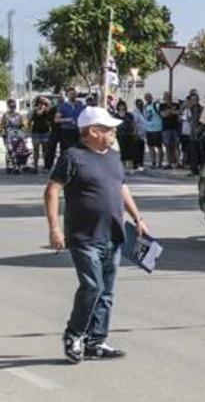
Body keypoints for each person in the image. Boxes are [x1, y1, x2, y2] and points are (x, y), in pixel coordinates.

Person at [44, 106, 149, 363]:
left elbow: (121, 187)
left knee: (107, 292)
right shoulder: (72, 156)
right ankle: (75, 334)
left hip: (113, 235)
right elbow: (52, 191)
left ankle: (96, 342)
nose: (114, 133)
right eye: (109, 129)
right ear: (92, 132)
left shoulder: (112, 156)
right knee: (92, 287)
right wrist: (55, 228)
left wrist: (138, 217)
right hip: (84, 236)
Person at [29, 97, 54, 172]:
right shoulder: (35, 110)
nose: (42, 104)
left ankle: (45, 166)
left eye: (43, 103)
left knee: (45, 150)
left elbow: (51, 108)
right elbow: (38, 114)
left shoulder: (47, 110)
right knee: (36, 150)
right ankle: (36, 167)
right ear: (37, 103)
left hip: (45, 132)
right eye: (40, 103)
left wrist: (47, 101)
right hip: (36, 132)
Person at [55, 88, 84, 153]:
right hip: (66, 131)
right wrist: (68, 120)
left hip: (78, 131)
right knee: (66, 150)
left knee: (78, 150)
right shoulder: (63, 106)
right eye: (71, 94)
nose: (73, 95)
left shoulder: (80, 104)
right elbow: (56, 119)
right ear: (67, 95)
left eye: (74, 94)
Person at [183, 94, 205, 175]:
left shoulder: (201, 109)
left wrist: (200, 129)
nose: (193, 101)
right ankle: (194, 169)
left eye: (195, 100)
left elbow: (203, 120)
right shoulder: (190, 109)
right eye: (192, 100)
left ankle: (202, 169)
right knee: (193, 152)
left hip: (200, 133)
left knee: (201, 153)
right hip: (192, 133)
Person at [159, 92, 181, 169]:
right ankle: (169, 162)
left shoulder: (176, 105)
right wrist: (171, 112)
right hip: (166, 128)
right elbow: (163, 115)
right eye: (166, 97)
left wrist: (169, 112)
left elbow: (178, 112)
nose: (167, 98)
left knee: (176, 145)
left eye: (168, 97)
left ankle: (178, 162)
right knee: (167, 145)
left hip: (175, 128)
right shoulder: (162, 106)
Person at [114, 101, 137, 171]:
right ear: (118, 107)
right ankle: (122, 167)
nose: (121, 107)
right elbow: (113, 125)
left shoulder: (129, 115)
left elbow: (133, 124)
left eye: (123, 105)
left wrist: (135, 131)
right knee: (121, 151)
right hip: (119, 135)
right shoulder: (115, 115)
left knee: (130, 151)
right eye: (120, 106)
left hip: (129, 135)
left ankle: (130, 167)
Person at [142, 93, 164, 168]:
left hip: (157, 128)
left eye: (149, 97)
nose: (147, 99)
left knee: (159, 146)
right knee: (150, 146)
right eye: (146, 97)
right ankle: (153, 162)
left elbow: (161, 114)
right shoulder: (145, 107)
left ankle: (160, 162)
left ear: (151, 97)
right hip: (149, 129)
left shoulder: (156, 105)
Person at [131, 99, 148, 171]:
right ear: (136, 105)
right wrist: (136, 132)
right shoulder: (135, 112)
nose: (141, 105)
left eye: (142, 104)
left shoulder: (144, 111)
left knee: (142, 149)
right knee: (136, 149)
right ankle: (136, 164)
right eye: (139, 104)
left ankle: (141, 163)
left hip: (144, 134)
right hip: (138, 133)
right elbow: (134, 123)